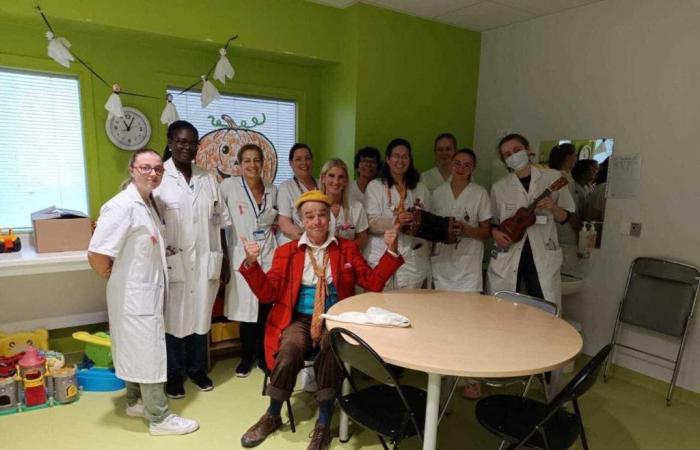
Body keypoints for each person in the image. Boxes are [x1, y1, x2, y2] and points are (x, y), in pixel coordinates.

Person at [237, 190, 403, 450]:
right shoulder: (287, 252)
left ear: (329, 219)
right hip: (300, 319)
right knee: (290, 349)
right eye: (310, 216)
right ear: (301, 220)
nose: (316, 221)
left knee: (331, 349)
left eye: (322, 215)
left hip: (335, 319)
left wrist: (391, 252)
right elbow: (267, 293)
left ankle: (323, 423)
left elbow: (372, 283)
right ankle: (272, 414)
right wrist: (251, 263)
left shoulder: (346, 249)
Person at [88, 149, 199, 436]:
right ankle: (159, 418)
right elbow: (98, 252)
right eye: (145, 168)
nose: (152, 173)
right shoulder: (122, 205)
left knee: (135, 349)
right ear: (132, 169)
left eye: (158, 169)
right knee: (148, 353)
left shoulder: (147, 203)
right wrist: (110, 275)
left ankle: (135, 401)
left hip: (141, 292)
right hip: (134, 294)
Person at [153, 121, 230, 398]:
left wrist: (226, 263)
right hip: (173, 264)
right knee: (173, 320)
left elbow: (221, 223)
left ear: (198, 145)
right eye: (180, 141)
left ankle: (197, 369)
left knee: (201, 317)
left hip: (206, 261)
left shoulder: (208, 179)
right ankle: (174, 375)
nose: (186, 147)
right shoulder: (159, 179)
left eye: (191, 142)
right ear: (170, 142)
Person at [487, 133, 575, 311]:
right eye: (507, 154)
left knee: (544, 311)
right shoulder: (499, 187)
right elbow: (493, 223)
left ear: (528, 149)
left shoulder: (553, 177)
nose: (513, 155)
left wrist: (553, 207)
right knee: (503, 311)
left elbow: (567, 217)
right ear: (505, 161)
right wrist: (495, 233)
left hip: (542, 255)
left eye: (517, 150)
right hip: (509, 256)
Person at [221, 143, 278, 377]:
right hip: (242, 252)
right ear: (239, 164)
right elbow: (219, 221)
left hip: (268, 252)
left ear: (263, 163)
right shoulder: (228, 186)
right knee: (246, 311)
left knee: (266, 308)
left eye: (256, 160)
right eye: (247, 161)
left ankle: (265, 357)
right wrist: (223, 257)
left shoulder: (272, 190)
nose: (252, 165)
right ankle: (246, 357)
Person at [365, 138, 432, 289]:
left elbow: (428, 220)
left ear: (410, 159)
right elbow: (371, 222)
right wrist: (396, 220)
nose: (400, 161)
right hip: (381, 253)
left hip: (412, 255)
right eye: (396, 156)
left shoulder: (420, 188)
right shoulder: (375, 186)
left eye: (405, 156)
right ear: (388, 159)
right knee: (381, 303)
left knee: (410, 304)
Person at [431, 148, 491, 292]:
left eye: (467, 165)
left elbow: (486, 232)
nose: (460, 168)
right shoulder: (438, 193)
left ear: (472, 169)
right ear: (451, 164)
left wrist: (466, 229)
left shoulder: (480, 193)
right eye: (457, 163)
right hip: (442, 265)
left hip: (468, 269)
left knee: (466, 311)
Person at [319, 158, 369, 248]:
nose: (336, 181)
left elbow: (363, 238)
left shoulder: (356, 207)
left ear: (346, 181)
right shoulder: (313, 206)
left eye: (341, 177)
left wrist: (345, 249)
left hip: (347, 257)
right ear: (323, 178)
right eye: (331, 176)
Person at [277, 143, 317, 244]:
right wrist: (311, 239)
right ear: (291, 163)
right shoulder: (285, 188)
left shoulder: (322, 184)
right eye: (298, 159)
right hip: (296, 242)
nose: (304, 163)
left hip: (320, 242)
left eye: (307, 158)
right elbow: (285, 225)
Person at [548, 143, 581, 245]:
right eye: (575, 156)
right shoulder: (563, 178)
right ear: (568, 157)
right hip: (565, 226)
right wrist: (577, 228)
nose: (576, 159)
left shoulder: (553, 176)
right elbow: (569, 209)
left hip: (559, 225)